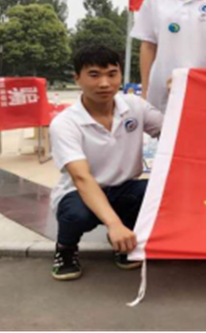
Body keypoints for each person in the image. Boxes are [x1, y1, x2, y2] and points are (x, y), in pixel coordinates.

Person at [49, 46, 164, 281]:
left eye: (112, 74)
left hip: (124, 187)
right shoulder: (65, 123)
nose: (104, 83)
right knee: (77, 215)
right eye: (94, 75)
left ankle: (125, 241)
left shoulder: (135, 107)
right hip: (80, 192)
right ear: (77, 78)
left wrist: (183, 91)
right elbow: (82, 178)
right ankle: (65, 250)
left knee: (156, 193)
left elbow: (174, 132)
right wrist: (113, 223)